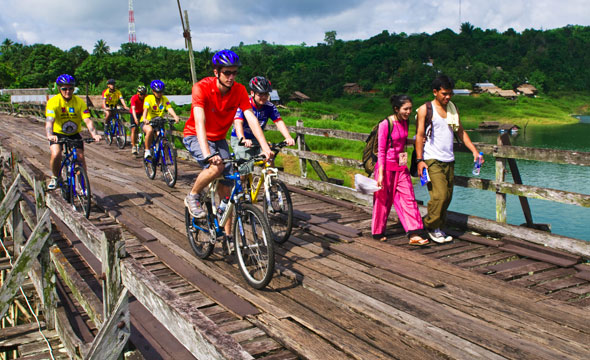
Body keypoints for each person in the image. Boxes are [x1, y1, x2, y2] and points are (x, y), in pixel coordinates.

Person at [183, 49, 272, 238]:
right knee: (215, 168)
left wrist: (265, 147)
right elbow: (199, 122)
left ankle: (229, 238)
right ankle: (193, 196)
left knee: (228, 192)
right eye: (227, 73)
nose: (231, 77)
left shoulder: (239, 90)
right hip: (196, 135)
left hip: (219, 139)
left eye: (234, 73)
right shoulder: (202, 87)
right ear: (216, 72)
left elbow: (252, 119)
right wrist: (208, 154)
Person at [415, 75, 483, 243]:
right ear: (435, 92)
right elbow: (419, 135)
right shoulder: (425, 109)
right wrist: (419, 160)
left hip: (449, 159)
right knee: (440, 195)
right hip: (432, 159)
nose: (447, 97)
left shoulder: (452, 108)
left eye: (450, 94)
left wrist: (474, 151)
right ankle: (429, 225)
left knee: (448, 197)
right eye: (444, 94)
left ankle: (438, 226)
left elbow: (460, 131)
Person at [372, 95, 428, 245]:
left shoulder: (405, 121)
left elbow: (402, 141)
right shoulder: (385, 124)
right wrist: (381, 175)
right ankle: (378, 231)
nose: (409, 111)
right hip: (386, 168)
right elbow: (381, 150)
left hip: (401, 168)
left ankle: (414, 233)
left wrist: (416, 140)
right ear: (396, 109)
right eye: (405, 109)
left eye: (410, 108)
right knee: (382, 201)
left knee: (408, 198)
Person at [45, 74, 102, 189]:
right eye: (64, 88)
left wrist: (94, 134)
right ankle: (56, 177)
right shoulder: (53, 102)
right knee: (56, 153)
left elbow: (87, 120)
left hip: (74, 134)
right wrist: (49, 135)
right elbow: (50, 121)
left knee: (80, 157)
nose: (68, 91)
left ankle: (84, 186)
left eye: (71, 88)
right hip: (57, 133)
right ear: (59, 89)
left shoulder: (79, 102)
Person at [230, 76, 295, 174]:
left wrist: (288, 137)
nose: (264, 97)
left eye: (266, 94)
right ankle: (242, 185)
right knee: (245, 169)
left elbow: (279, 122)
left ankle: (270, 184)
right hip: (241, 138)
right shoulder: (244, 103)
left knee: (269, 156)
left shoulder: (270, 107)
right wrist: (242, 139)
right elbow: (238, 122)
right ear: (252, 93)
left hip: (257, 139)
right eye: (260, 94)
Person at [142, 80, 180, 159]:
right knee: (149, 131)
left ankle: (165, 160)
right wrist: (145, 119)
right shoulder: (148, 98)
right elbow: (145, 109)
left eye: (161, 92)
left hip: (158, 121)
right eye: (157, 92)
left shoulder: (164, 99)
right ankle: (147, 150)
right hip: (148, 121)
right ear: (153, 91)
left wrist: (175, 116)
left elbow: (169, 108)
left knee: (164, 138)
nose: (159, 94)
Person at [129, 85, 147, 155]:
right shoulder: (134, 98)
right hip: (135, 113)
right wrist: (135, 118)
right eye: (141, 94)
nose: (142, 96)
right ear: (138, 93)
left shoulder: (146, 97)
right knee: (134, 128)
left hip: (143, 113)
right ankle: (133, 146)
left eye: (143, 94)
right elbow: (133, 109)